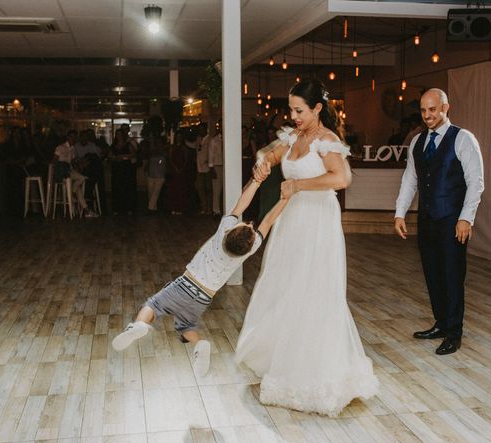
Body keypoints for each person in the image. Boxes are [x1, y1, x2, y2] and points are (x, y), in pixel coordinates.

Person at [235, 79, 379, 417]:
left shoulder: (328, 142)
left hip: (317, 221)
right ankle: (283, 355)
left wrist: (300, 184)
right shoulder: (291, 138)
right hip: (292, 220)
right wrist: (261, 162)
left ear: (317, 108)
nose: (293, 116)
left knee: (312, 288)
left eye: (299, 110)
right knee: (285, 285)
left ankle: (313, 366)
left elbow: (341, 180)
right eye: (291, 110)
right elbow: (268, 154)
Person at [111, 178, 288, 376]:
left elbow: (241, 205)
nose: (248, 222)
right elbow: (268, 220)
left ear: (230, 231)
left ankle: (139, 326)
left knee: (153, 305)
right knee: (186, 325)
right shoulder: (250, 249)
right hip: (204, 298)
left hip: (185, 284)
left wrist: (257, 181)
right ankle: (198, 345)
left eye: (245, 224)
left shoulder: (223, 232)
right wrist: (284, 198)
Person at [394, 88, 484, 355]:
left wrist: (466, 218)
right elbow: (411, 179)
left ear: (446, 108)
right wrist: (400, 212)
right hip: (427, 219)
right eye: (423, 110)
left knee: (452, 276)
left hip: (452, 220)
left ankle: (454, 332)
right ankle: (441, 323)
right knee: (433, 273)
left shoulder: (463, 138)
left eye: (432, 109)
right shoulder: (417, 142)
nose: (427, 115)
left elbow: (475, 182)